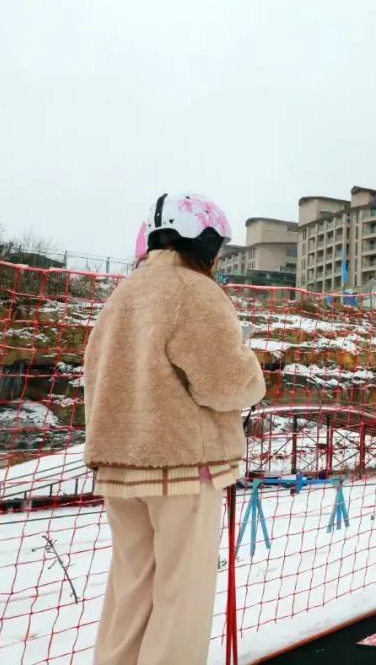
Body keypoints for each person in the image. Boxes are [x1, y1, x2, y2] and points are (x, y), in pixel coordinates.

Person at [84, 193, 266, 665]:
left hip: (119, 463)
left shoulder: (123, 294)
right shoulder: (195, 291)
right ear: (202, 240)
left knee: (131, 589)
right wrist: (253, 372)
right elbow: (225, 383)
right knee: (180, 594)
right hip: (182, 463)